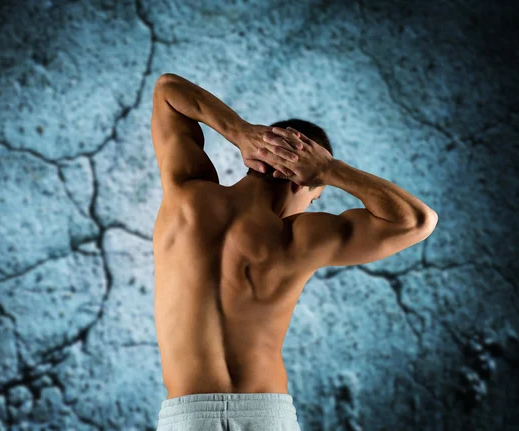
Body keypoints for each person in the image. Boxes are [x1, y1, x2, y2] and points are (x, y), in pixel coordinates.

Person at [151, 73, 438, 430]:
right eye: (316, 192)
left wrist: (240, 132)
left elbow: (167, 90)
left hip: (189, 417)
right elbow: (418, 221)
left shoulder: (185, 197)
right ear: (304, 182)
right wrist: (332, 170)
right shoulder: (300, 238)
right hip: (266, 415)